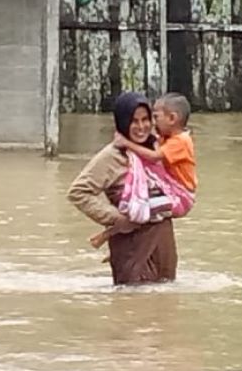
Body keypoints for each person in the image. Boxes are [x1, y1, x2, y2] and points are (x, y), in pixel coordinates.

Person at [67, 92, 178, 285]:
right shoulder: (112, 157)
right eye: (134, 121)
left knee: (165, 303)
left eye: (145, 120)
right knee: (134, 303)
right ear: (122, 122)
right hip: (131, 242)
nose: (141, 127)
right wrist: (115, 218)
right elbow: (78, 192)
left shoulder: (157, 150)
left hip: (163, 241)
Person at [114, 92, 197, 213]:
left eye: (156, 117)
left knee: (139, 207)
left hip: (182, 197)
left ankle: (127, 223)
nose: (153, 122)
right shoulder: (168, 137)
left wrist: (126, 143)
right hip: (173, 190)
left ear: (172, 118)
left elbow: (154, 157)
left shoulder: (180, 141)